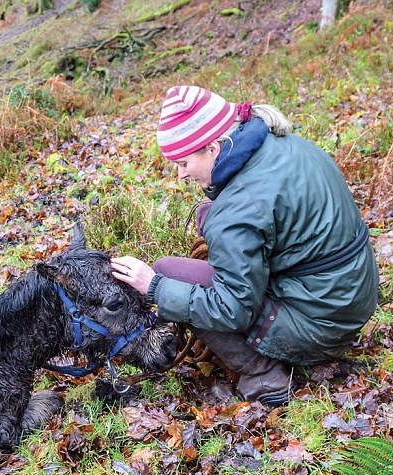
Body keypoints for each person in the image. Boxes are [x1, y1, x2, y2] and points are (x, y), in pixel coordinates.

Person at [111, 85, 378, 406]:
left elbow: (232, 311)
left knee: (168, 274)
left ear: (212, 148)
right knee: (205, 240)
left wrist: (154, 288)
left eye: (183, 162)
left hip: (321, 330)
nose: (180, 174)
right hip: (351, 300)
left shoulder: (237, 208)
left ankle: (263, 377)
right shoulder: (286, 146)